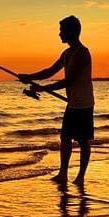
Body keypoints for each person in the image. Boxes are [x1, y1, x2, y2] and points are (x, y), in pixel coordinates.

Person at [19, 15, 94, 186]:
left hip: (84, 103)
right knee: (65, 137)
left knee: (83, 141)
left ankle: (80, 177)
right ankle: (63, 173)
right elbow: (50, 71)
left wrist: (42, 89)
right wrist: (28, 77)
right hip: (73, 103)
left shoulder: (82, 53)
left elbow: (69, 81)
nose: (59, 34)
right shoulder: (67, 53)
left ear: (71, 32)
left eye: (62, 30)